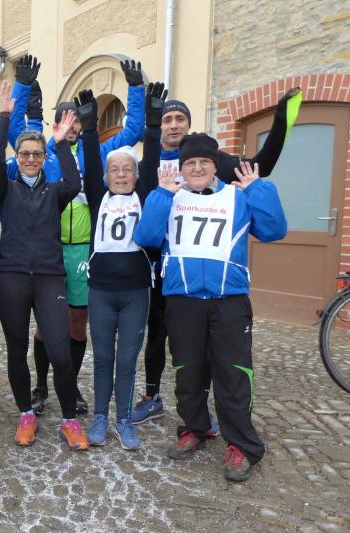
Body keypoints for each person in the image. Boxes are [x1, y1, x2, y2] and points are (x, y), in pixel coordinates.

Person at [131, 88, 302, 426]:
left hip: (218, 288)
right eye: (167, 119)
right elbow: (146, 225)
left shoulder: (216, 164)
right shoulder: (152, 164)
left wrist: (282, 122)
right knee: (167, 344)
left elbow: (260, 171)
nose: (173, 124)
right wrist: (148, 123)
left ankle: (221, 423)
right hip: (168, 273)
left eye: (180, 119)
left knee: (216, 358)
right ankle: (158, 401)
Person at [133, 133, 287, 481]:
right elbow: (145, 237)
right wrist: (160, 195)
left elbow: (275, 230)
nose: (198, 168)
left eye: (205, 162)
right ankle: (195, 427)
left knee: (233, 375)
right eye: (190, 162)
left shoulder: (238, 196)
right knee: (187, 371)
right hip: (183, 300)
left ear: (215, 166)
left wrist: (258, 189)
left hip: (228, 301)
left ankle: (242, 445)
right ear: (182, 167)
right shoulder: (171, 196)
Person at [7, 57, 147, 416]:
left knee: (76, 325)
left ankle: (69, 386)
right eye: (63, 119)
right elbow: (15, 133)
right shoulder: (44, 153)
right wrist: (22, 87)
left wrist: (135, 89)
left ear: (82, 122)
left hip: (84, 251)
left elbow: (132, 131)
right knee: (45, 326)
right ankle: (41, 386)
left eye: (76, 119)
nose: (70, 124)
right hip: (50, 252)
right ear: (56, 124)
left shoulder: (96, 152)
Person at [0, 81, 87, 449]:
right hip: (12, 276)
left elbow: (74, 181)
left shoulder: (54, 191)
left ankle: (69, 419)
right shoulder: (5, 188)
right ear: (18, 156)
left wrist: (60, 142)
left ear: (44, 157)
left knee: (60, 351)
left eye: (37, 153)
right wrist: (4, 116)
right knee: (16, 351)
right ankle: (26, 414)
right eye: (25, 153)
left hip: (48, 277)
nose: (30, 159)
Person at [77, 83, 165, 449]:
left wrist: (153, 125)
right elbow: (91, 160)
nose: (122, 174)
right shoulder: (99, 196)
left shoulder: (144, 194)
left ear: (136, 174)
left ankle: (124, 419)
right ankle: (100, 417)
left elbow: (153, 160)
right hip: (101, 291)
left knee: (127, 359)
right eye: (115, 170)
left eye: (128, 169)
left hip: (135, 292)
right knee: (103, 358)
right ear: (107, 175)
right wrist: (89, 127)